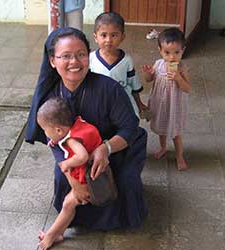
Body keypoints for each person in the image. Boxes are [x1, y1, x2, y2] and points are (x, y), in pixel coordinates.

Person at [25, 27, 147, 236]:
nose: (75, 62)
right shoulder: (51, 95)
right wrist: (70, 174)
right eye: (66, 56)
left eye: (81, 54)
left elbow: (130, 128)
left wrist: (105, 149)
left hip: (118, 147)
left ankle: (119, 218)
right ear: (53, 61)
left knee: (125, 179)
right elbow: (52, 138)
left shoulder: (109, 88)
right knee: (64, 178)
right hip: (73, 154)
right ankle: (76, 219)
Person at [36, 97, 102, 249]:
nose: (46, 134)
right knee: (69, 205)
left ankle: (51, 235)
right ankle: (59, 233)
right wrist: (57, 140)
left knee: (67, 204)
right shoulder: (76, 125)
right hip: (88, 174)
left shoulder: (72, 140)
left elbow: (82, 156)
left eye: (46, 130)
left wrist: (67, 163)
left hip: (89, 181)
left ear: (58, 130)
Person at [141, 28, 192, 171]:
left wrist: (178, 78)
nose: (172, 57)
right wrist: (148, 74)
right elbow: (149, 80)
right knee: (162, 129)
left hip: (175, 105)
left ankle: (179, 156)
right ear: (160, 50)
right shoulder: (158, 64)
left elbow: (188, 88)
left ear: (183, 50)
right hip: (160, 103)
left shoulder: (181, 68)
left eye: (177, 52)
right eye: (167, 53)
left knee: (175, 133)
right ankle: (163, 148)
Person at [90, 12, 148, 118]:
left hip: (122, 103)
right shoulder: (90, 59)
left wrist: (139, 103)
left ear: (122, 37)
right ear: (95, 37)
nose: (108, 40)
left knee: (129, 125)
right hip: (99, 103)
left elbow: (133, 85)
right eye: (103, 35)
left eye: (114, 35)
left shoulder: (127, 60)